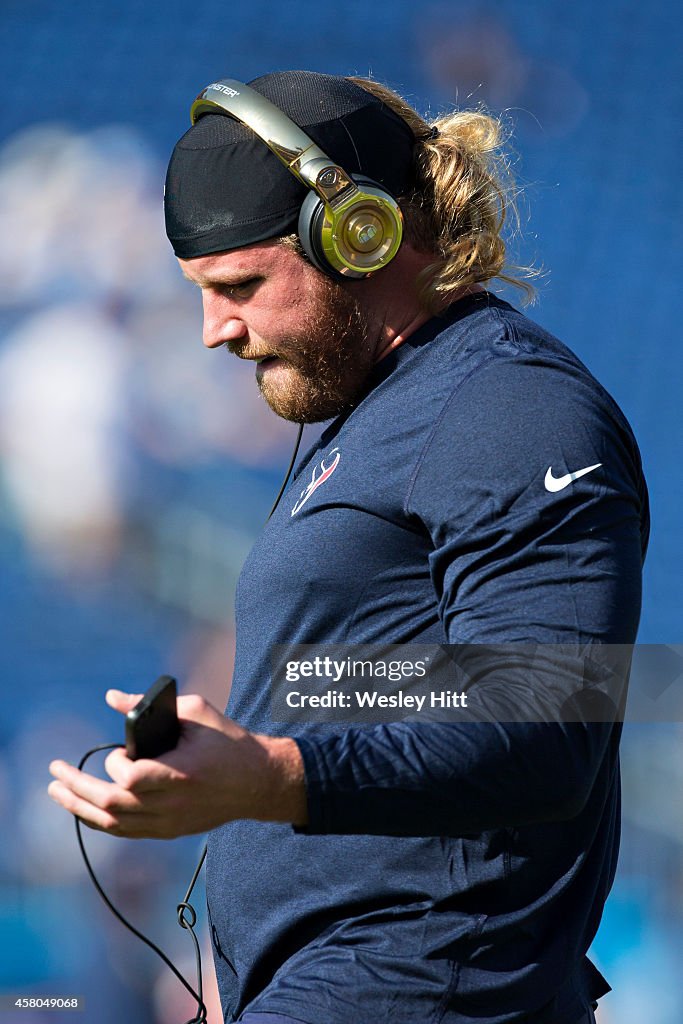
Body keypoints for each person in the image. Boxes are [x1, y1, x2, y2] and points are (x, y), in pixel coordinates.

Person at [48, 71, 649, 1024]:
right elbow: (433, 682)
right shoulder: (379, 414)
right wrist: (264, 724)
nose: (215, 331)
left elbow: (549, 728)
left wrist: (276, 775)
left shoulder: (509, 408)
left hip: (425, 986)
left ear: (359, 237)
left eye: (240, 286)